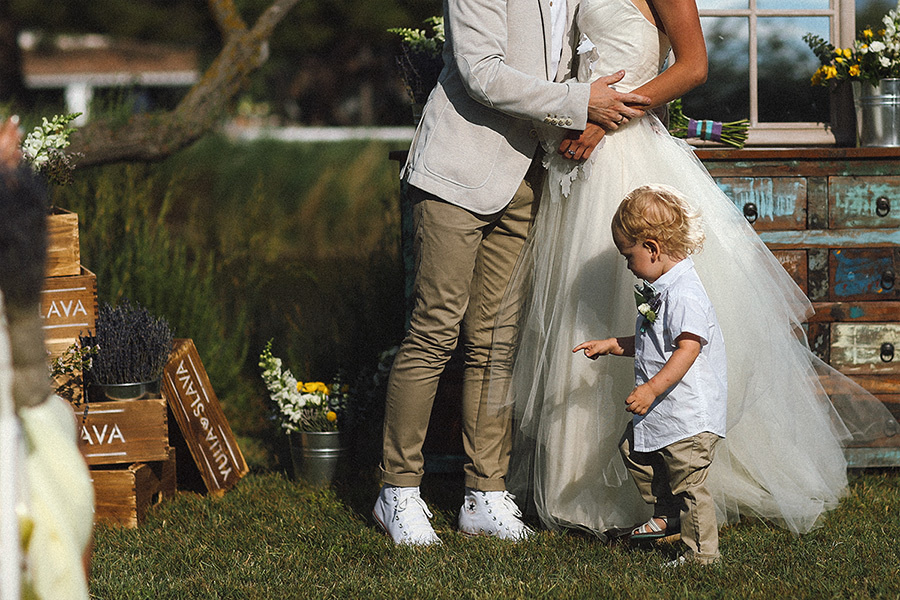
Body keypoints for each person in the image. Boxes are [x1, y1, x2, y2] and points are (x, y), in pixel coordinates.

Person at [498, 0, 898, 537]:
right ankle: (581, 480)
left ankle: (662, 484)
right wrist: (574, 117)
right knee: (579, 307)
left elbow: (693, 66)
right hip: (575, 162)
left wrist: (608, 119)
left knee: (647, 300)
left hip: (626, 150)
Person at [372, 0, 652, 545]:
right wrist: (581, 102)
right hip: (457, 170)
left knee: (497, 342)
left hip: (528, 175)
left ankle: (485, 494)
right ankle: (398, 490)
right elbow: (481, 72)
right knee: (434, 334)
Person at [574, 185, 726, 565]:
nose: (627, 264)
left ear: (653, 248)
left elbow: (687, 348)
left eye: (629, 255)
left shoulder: (684, 294)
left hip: (689, 411)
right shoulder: (661, 289)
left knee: (691, 483)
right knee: (634, 449)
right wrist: (613, 343)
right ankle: (670, 513)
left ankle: (702, 554)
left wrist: (650, 389)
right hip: (667, 408)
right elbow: (652, 343)